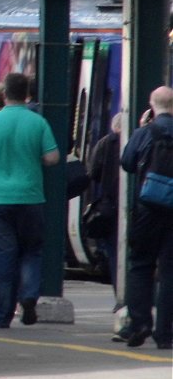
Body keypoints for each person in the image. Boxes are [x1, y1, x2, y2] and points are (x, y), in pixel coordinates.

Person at [0, 71, 60, 328]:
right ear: (27, 94)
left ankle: (2, 315)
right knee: (31, 251)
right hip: (31, 198)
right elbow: (52, 158)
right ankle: (28, 296)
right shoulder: (37, 122)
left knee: (2, 257)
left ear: (4, 94)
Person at [118, 85, 173, 350]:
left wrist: (142, 128)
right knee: (170, 271)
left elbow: (127, 163)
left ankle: (140, 322)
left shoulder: (146, 132)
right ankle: (166, 333)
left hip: (148, 208)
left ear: (152, 107)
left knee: (140, 265)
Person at [85, 113, 122, 283]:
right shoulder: (141, 137)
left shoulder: (104, 143)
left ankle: (119, 291)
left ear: (115, 127)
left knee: (114, 250)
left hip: (109, 204)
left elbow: (92, 173)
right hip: (139, 204)